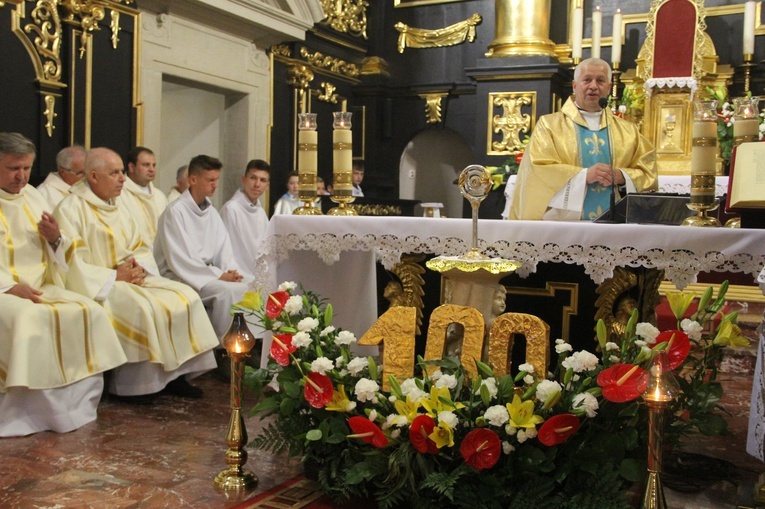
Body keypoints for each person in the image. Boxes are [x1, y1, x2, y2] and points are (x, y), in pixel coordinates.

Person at [54, 148, 218, 403]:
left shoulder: (120, 206)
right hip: (102, 284)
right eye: (115, 173)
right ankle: (137, 386)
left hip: (131, 276)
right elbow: (70, 259)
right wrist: (113, 275)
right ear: (94, 176)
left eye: (122, 172)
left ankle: (176, 376)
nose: (122, 179)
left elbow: (140, 244)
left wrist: (139, 267)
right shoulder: (71, 208)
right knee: (143, 306)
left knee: (185, 295)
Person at [0, 133, 126, 436]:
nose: (22, 176)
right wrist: (8, 287)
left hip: (40, 284)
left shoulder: (32, 196)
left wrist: (54, 237)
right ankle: (21, 415)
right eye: (13, 168)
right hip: (5, 289)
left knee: (89, 310)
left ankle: (72, 409)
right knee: (29, 317)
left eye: (27, 168)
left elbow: (58, 247)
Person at [510, 57, 657, 221]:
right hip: (565, 224)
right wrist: (584, 176)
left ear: (609, 88)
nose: (593, 86)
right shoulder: (549, 125)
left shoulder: (628, 131)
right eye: (587, 80)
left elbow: (647, 173)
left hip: (615, 225)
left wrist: (622, 176)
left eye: (600, 81)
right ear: (575, 86)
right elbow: (537, 172)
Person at [154, 154, 252, 341]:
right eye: (210, 180)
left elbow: (223, 247)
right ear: (193, 179)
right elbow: (181, 258)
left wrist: (230, 270)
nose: (215, 185)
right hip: (180, 275)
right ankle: (224, 348)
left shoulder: (210, 212)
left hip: (207, 273)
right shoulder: (175, 212)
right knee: (228, 292)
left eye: (216, 180)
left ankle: (249, 343)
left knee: (251, 283)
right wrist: (218, 275)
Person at [220, 159, 270, 275]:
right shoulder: (231, 209)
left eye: (262, 180)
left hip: (259, 273)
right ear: (243, 180)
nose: (257, 184)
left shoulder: (261, 213)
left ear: (267, 185)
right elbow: (226, 250)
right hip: (237, 272)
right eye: (253, 178)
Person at [118, 146, 168, 248]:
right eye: (146, 165)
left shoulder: (159, 196)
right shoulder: (119, 194)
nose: (151, 169)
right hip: (136, 255)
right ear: (131, 167)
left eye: (154, 165)